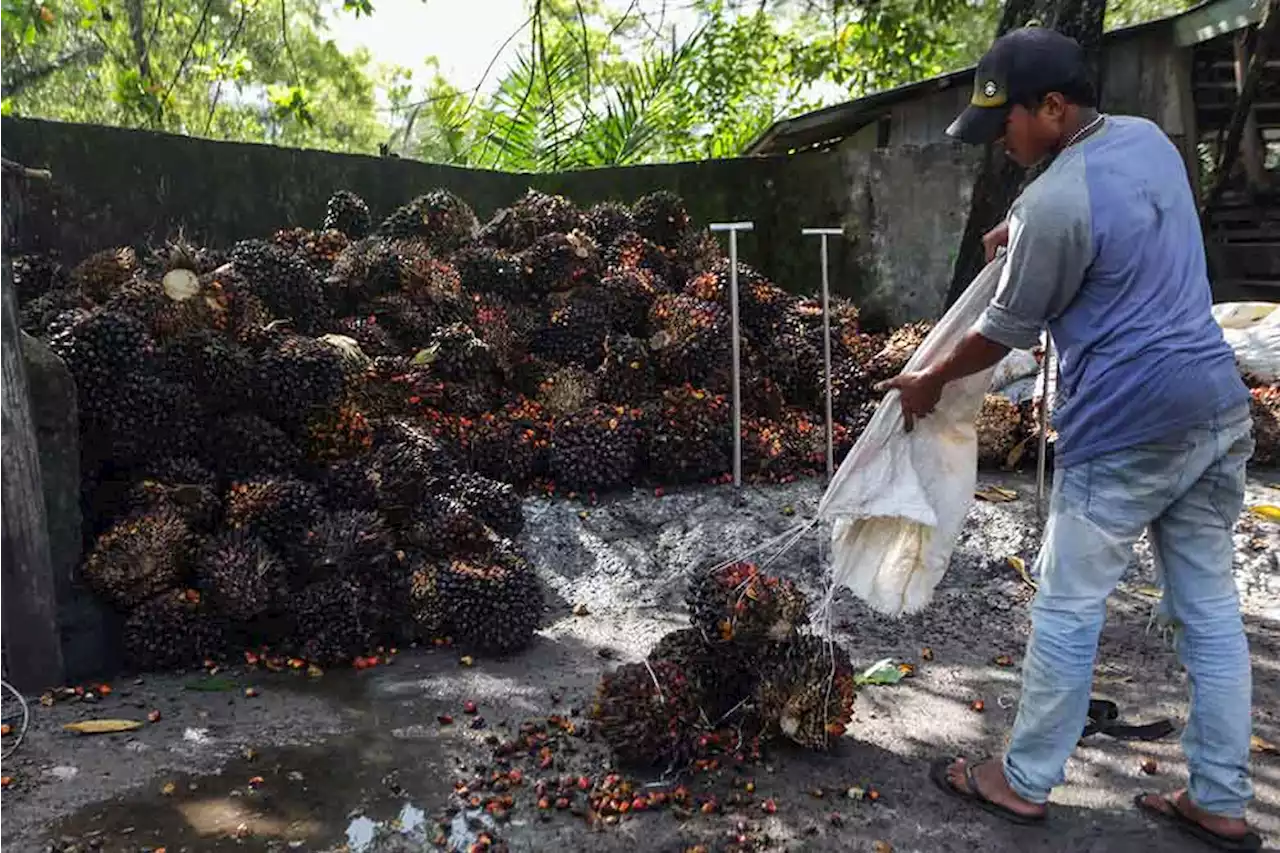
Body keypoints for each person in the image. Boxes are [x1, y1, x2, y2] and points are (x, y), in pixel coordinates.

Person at [878, 25, 1262, 852]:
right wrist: (1022, 227)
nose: (1001, 143)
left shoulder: (1055, 201)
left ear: (1053, 107)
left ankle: (1020, 781)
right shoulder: (1150, 143)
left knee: (1067, 604)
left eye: (1008, 123)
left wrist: (927, 379)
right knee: (1208, 609)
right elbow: (1104, 217)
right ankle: (1224, 799)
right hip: (1216, 412)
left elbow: (999, 333)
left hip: (1127, 429)